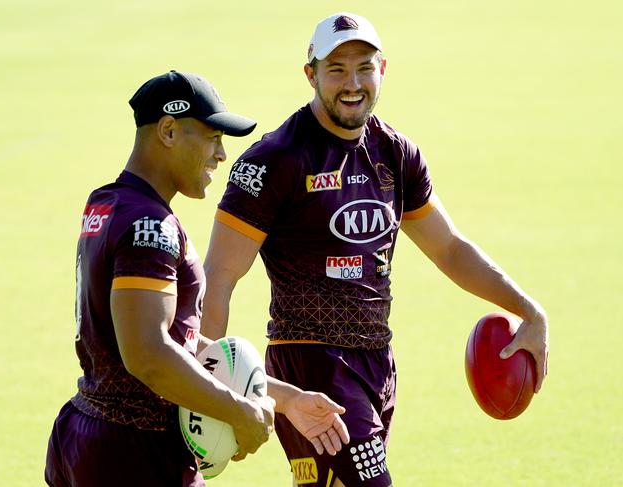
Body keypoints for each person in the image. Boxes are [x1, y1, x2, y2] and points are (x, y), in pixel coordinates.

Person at [200, 11, 549, 487]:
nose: (353, 83)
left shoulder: (396, 154)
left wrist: (528, 310)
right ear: (311, 75)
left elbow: (448, 248)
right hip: (311, 365)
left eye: (364, 67)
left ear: (383, 69)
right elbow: (218, 278)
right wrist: (203, 393)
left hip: (377, 363)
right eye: (337, 69)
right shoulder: (275, 159)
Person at [45, 70, 350, 487]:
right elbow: (148, 353)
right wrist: (239, 414)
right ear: (168, 130)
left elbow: (174, 339)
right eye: (211, 137)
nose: (221, 154)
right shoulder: (149, 225)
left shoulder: (107, 203)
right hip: (134, 454)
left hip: (89, 434)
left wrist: (284, 398)